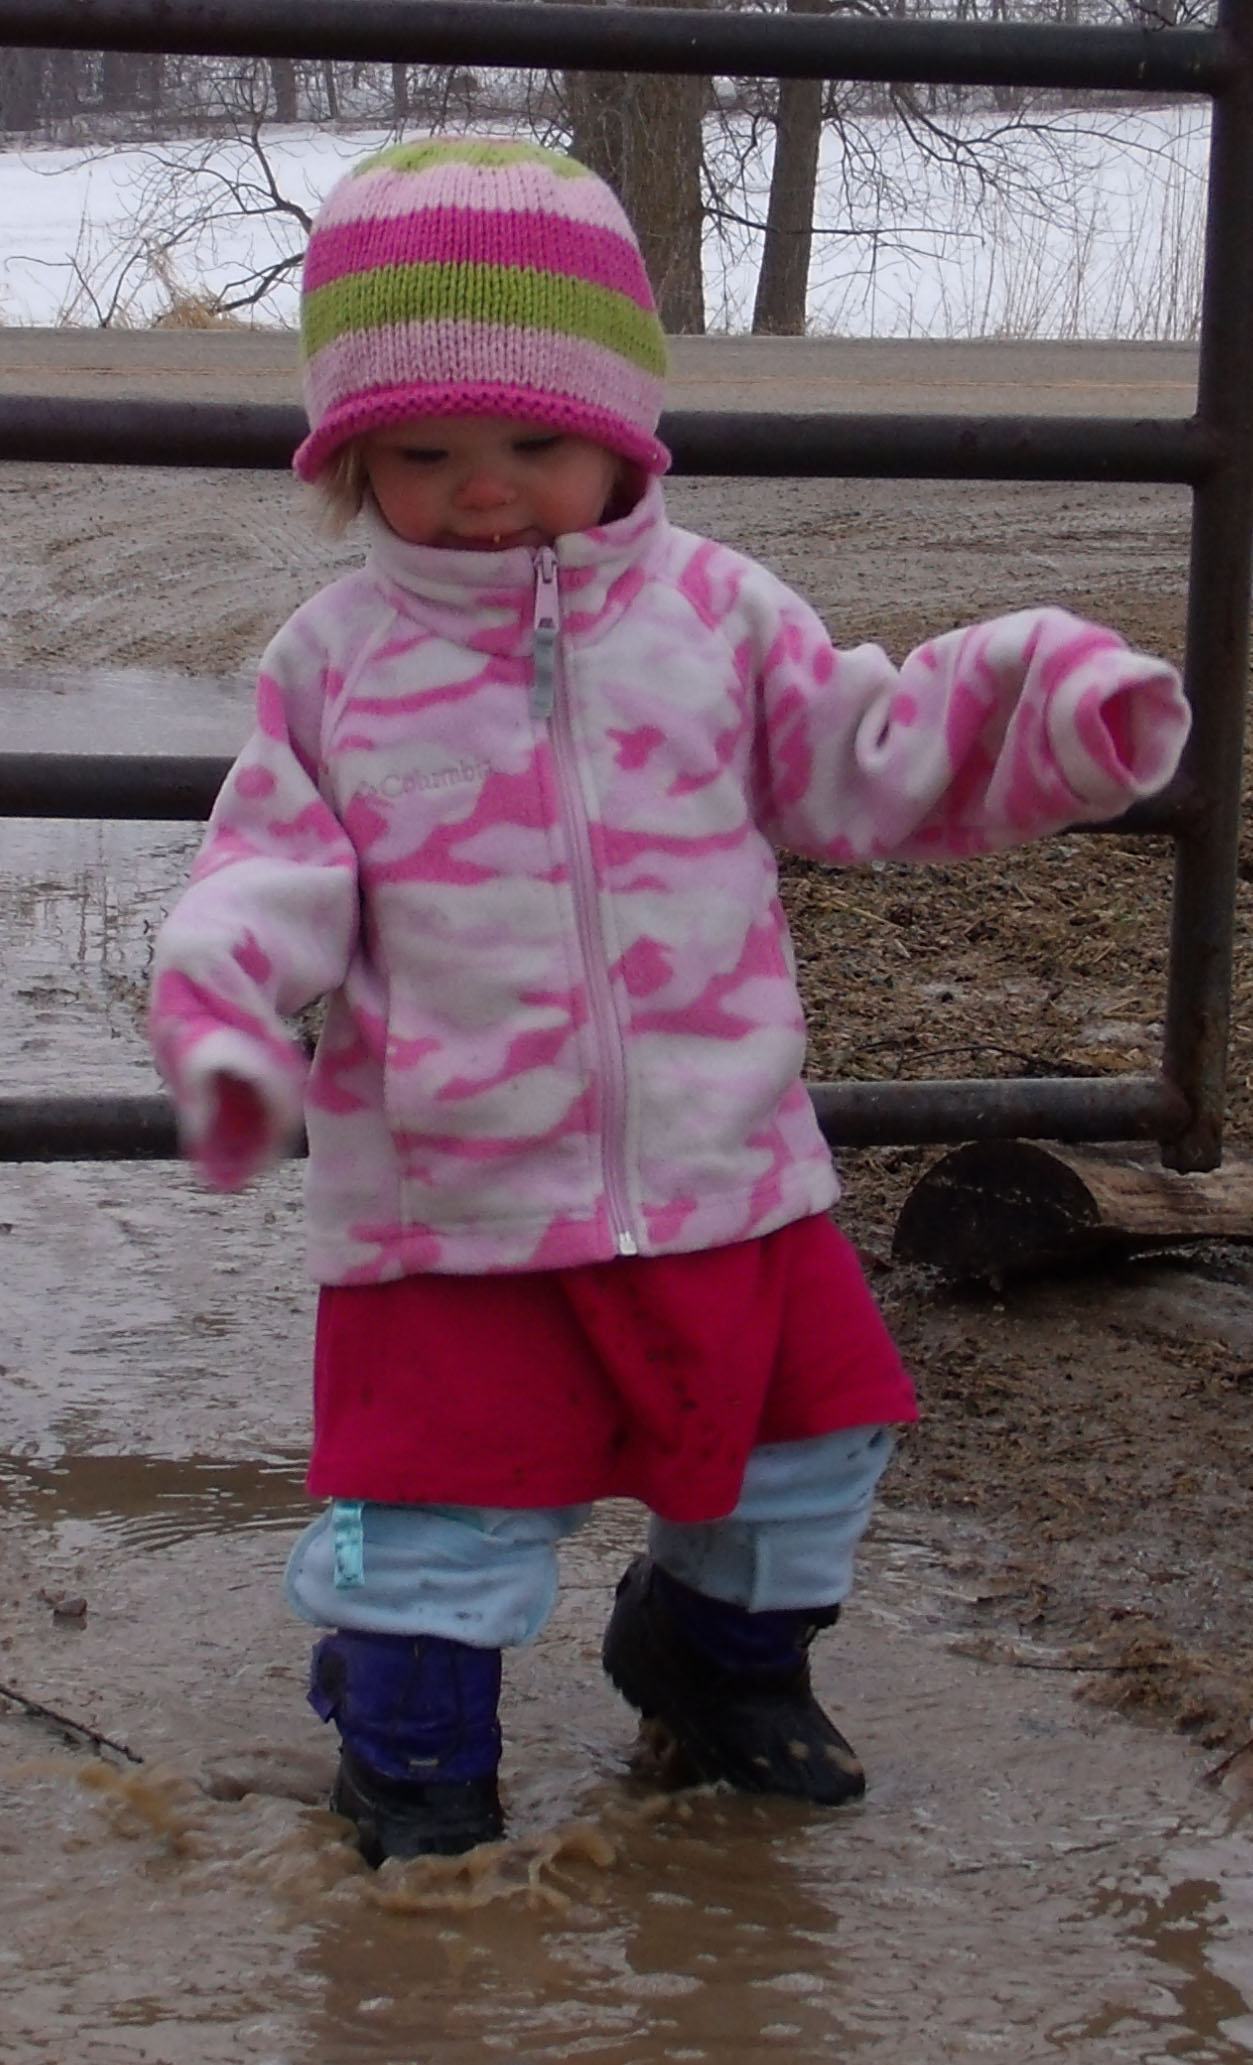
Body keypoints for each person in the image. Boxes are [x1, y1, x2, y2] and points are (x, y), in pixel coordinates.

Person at [148, 137, 1191, 1868]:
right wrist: (230, 1018)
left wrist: (1035, 705)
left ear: (621, 433)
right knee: (437, 1524)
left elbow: (861, 756)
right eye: (424, 456)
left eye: (532, 447)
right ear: (351, 465)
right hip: (454, 1210)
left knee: (805, 1454)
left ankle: (714, 1664)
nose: (486, 495)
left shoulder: (719, 615)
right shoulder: (334, 663)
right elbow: (268, 872)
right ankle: (414, 1762)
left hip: (724, 1173)